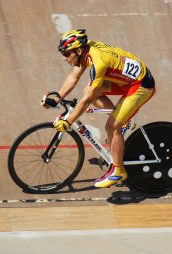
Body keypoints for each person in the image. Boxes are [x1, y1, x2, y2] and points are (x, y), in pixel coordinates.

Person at [41, 29, 156, 188]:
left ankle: (118, 171)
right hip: (126, 81)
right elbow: (74, 77)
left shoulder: (98, 61)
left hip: (141, 86)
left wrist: (68, 121)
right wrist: (57, 98)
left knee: (111, 126)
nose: (64, 58)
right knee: (91, 90)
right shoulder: (86, 51)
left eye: (67, 54)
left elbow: (87, 99)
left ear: (78, 50)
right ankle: (123, 122)